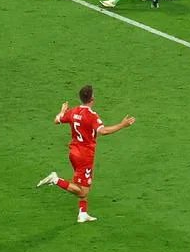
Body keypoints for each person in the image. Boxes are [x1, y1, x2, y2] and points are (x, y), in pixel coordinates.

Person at [35, 84, 136, 223]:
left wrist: (62, 111)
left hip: (74, 153)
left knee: (83, 183)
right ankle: (55, 179)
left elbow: (56, 120)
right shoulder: (92, 116)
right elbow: (103, 131)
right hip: (84, 156)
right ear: (92, 99)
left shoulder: (73, 111)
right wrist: (122, 125)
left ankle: (82, 213)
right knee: (83, 191)